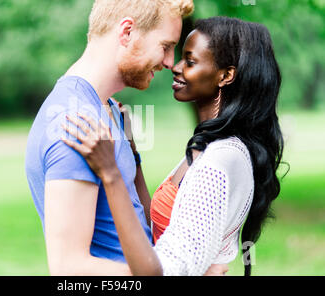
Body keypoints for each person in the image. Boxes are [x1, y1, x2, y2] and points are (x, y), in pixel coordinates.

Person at [62, 16, 284, 275]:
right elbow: (157, 231)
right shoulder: (206, 147)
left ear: (226, 75)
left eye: (189, 62)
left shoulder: (221, 159)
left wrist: (109, 171)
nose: (175, 67)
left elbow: (162, 271)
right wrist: (132, 154)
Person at [26, 0, 206, 275]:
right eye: (165, 46)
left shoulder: (106, 110)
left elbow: (135, 219)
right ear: (127, 32)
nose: (168, 61)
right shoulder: (75, 123)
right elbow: (69, 267)